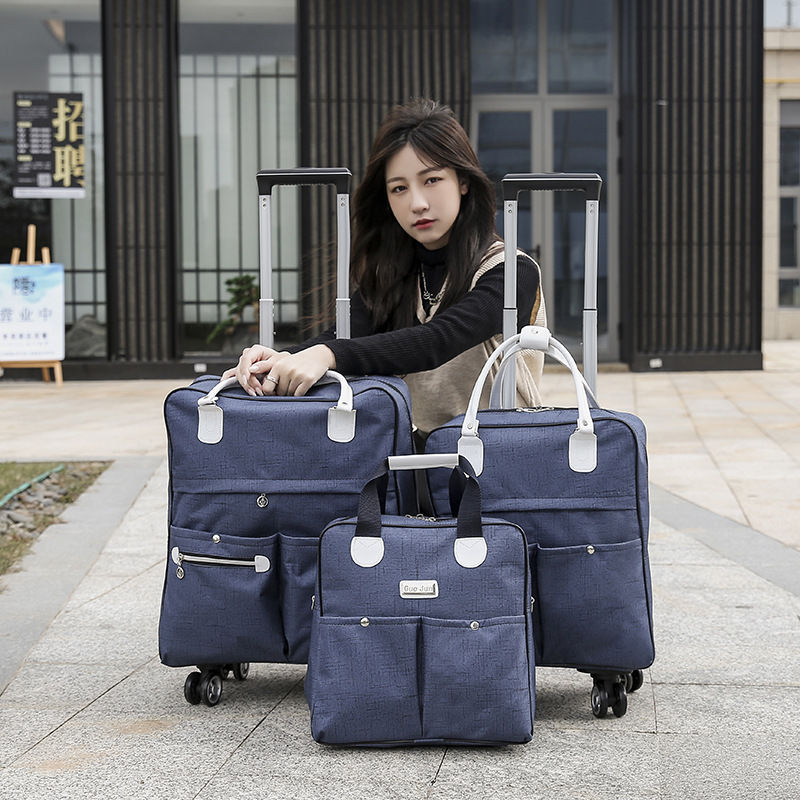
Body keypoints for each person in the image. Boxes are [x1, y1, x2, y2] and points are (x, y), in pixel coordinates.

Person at [225, 97, 545, 435]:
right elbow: (340, 337)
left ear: (463, 181)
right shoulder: (397, 274)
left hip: (499, 460)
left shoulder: (510, 270)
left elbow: (438, 341)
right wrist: (275, 360)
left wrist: (327, 354)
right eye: (399, 188)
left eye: (432, 180)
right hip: (417, 463)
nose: (417, 203)